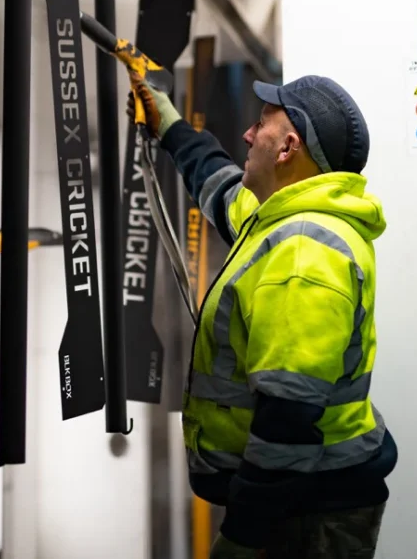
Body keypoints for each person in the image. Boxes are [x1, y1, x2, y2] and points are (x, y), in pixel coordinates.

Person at [129, 72, 398, 559]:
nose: (248, 136)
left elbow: (288, 420)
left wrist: (243, 538)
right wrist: (166, 122)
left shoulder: (303, 254)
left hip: (304, 513)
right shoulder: (279, 217)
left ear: (287, 148)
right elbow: (217, 183)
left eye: (260, 126)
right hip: (298, 500)